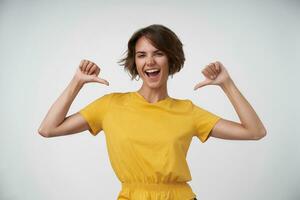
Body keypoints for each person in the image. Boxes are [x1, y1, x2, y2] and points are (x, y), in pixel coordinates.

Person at [38, 24, 267, 200]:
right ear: (135, 63)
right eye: (141, 55)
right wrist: (77, 82)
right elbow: (48, 129)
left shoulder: (187, 111)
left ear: (171, 59)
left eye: (158, 53)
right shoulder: (110, 105)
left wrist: (226, 83)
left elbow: (255, 131)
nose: (150, 61)